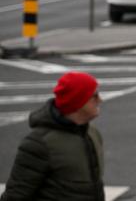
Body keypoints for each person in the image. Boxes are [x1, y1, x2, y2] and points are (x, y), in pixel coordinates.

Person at [1, 71, 104, 200]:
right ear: (78, 102)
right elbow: (15, 195)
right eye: (94, 96)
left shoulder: (91, 133)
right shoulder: (39, 143)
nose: (100, 100)